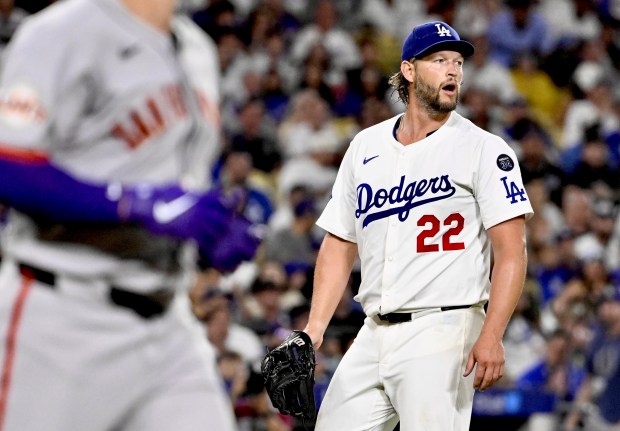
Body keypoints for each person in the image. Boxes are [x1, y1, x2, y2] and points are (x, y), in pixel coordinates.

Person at [0, 0, 260, 430]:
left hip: (168, 322)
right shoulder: (64, 30)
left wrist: (209, 234)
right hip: (63, 318)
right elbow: (8, 164)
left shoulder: (196, 49)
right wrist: (133, 203)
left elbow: (167, 183)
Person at [302, 21, 534, 430]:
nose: (453, 71)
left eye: (458, 62)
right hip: (373, 328)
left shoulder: (484, 149)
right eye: (440, 60)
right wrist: (313, 331)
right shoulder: (366, 146)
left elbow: (512, 252)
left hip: (444, 329)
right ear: (408, 70)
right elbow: (339, 242)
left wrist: (493, 333)